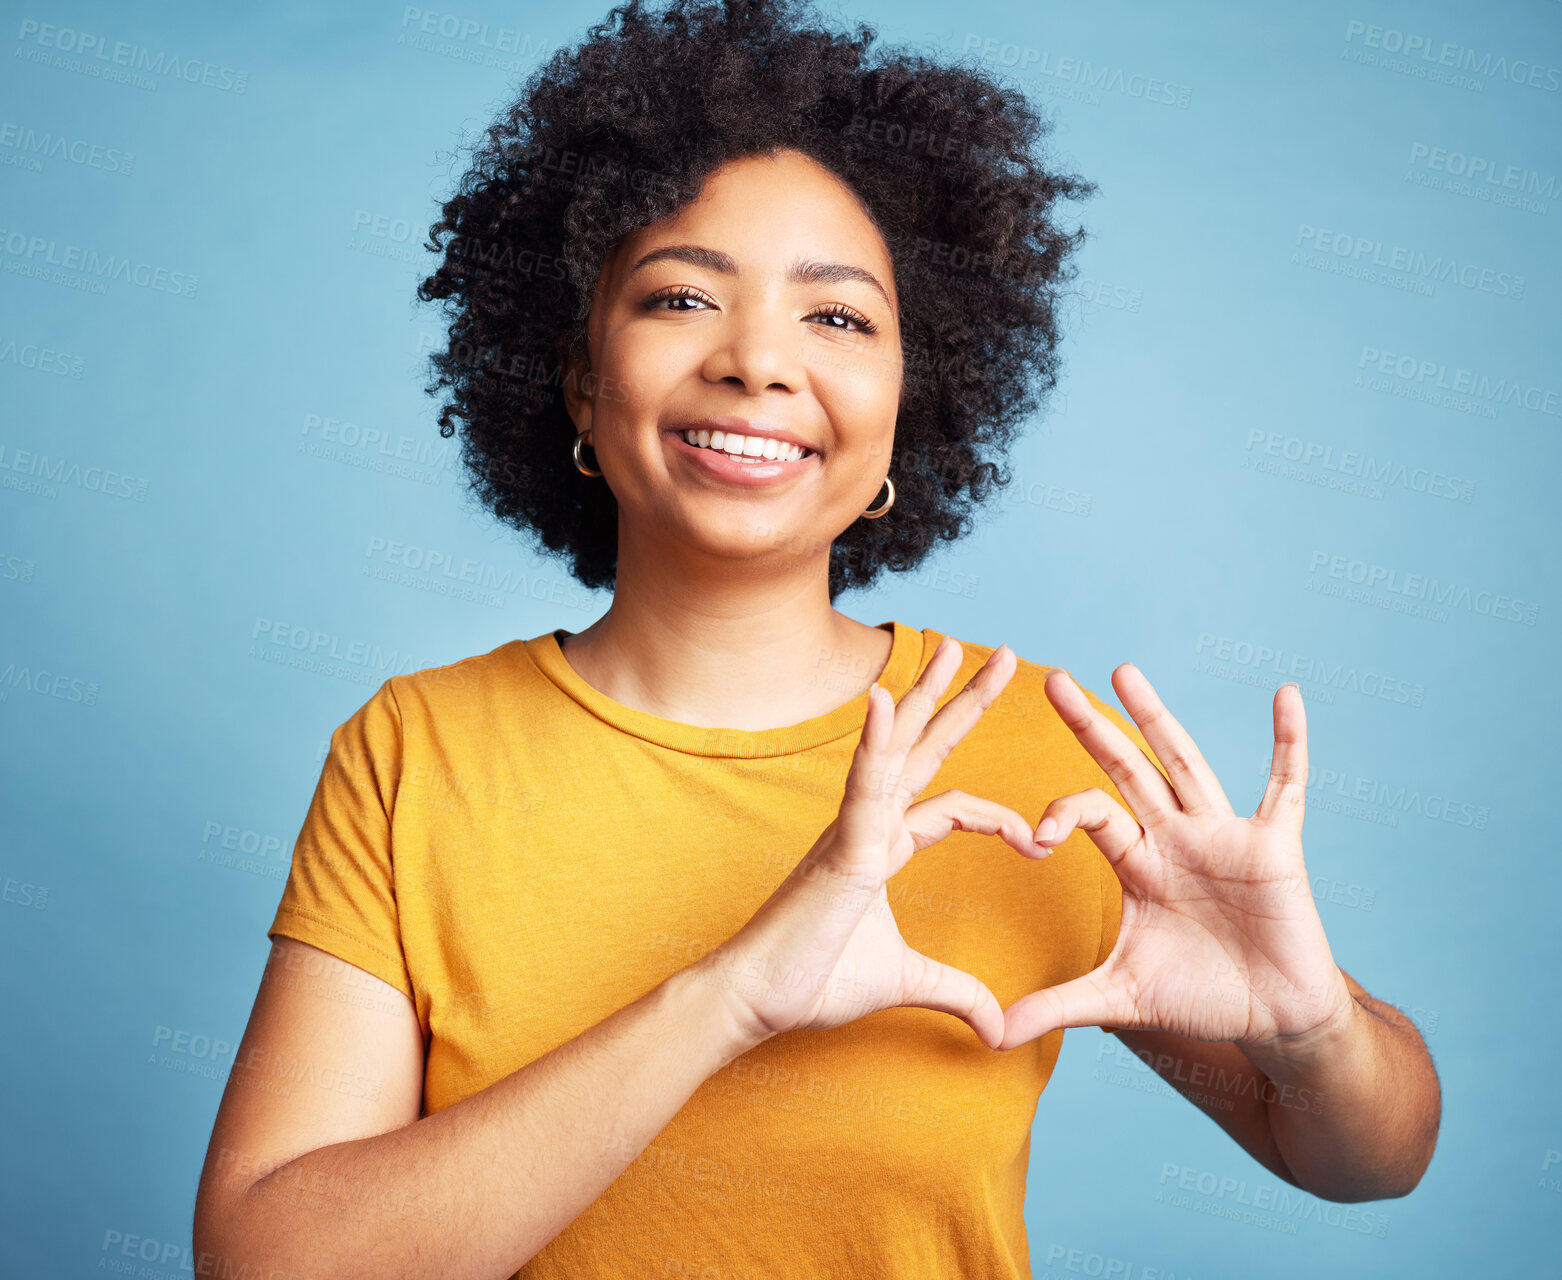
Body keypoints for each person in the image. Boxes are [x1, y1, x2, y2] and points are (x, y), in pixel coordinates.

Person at [191, 1, 1441, 1275]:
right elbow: (267, 1258)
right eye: (680, 296)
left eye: (836, 318)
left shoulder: (1025, 747)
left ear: (914, 398)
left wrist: (1310, 1025)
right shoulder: (418, 751)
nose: (756, 363)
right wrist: (724, 996)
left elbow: (1363, 1160)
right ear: (577, 379)